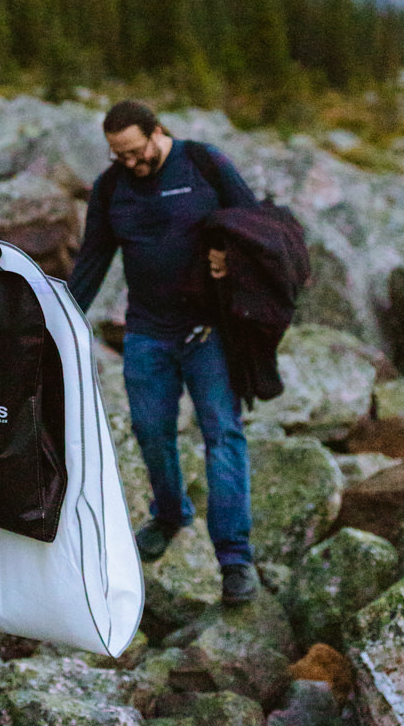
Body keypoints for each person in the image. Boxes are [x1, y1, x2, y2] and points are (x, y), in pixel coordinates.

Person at [67, 98, 261, 605]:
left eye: (136, 152)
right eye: (118, 156)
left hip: (207, 333)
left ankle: (236, 559)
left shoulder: (202, 163)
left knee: (223, 434)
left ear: (156, 133)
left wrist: (228, 252)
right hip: (147, 333)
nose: (130, 164)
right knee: (152, 433)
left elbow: (258, 224)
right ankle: (170, 513)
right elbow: (92, 261)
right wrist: (55, 318)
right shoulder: (112, 189)